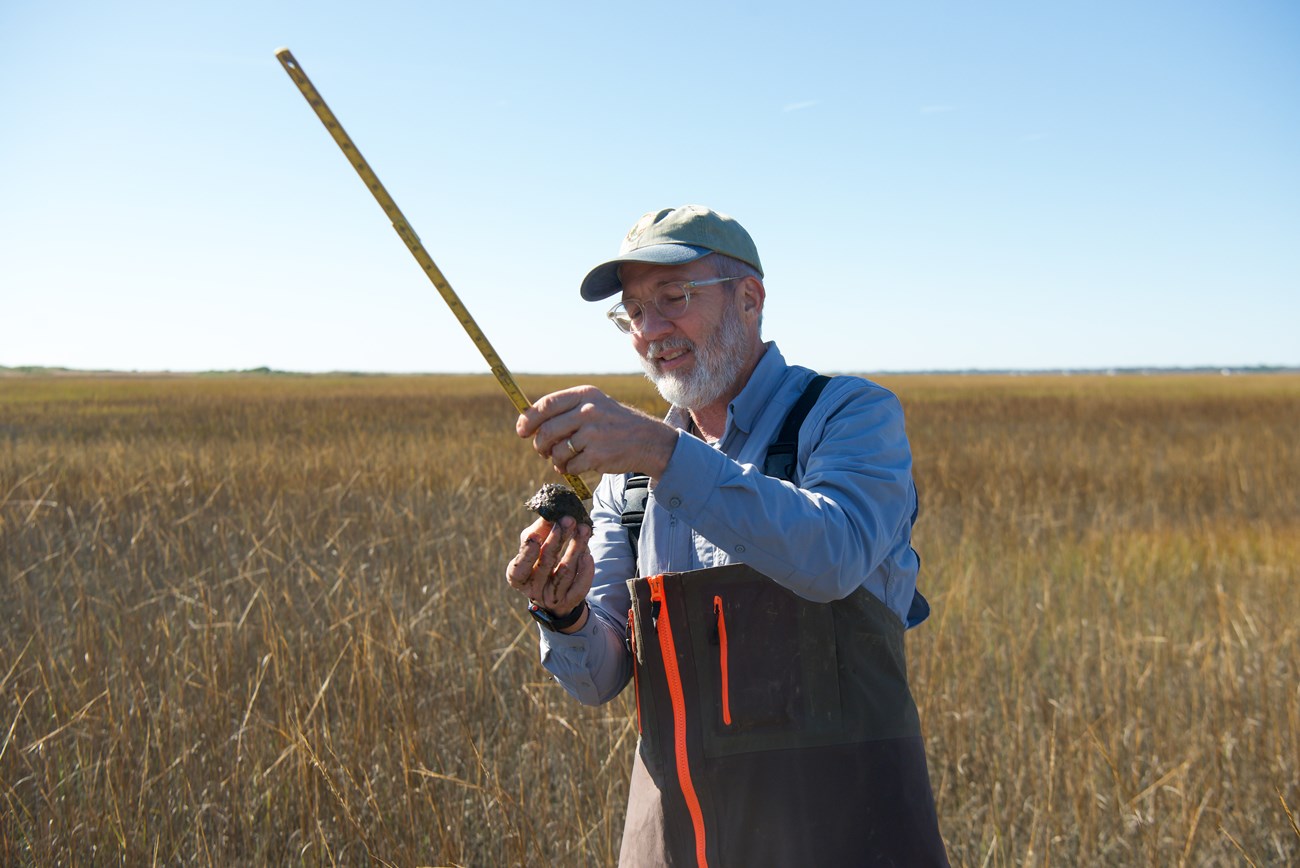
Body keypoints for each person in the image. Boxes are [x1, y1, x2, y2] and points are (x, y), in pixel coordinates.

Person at [506, 205, 948, 866]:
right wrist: (563, 612)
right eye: (632, 311)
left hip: (846, 840)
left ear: (750, 298)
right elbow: (598, 677)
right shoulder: (628, 483)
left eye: (673, 298)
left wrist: (662, 452)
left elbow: (833, 554)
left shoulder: (848, 417)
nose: (652, 329)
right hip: (674, 842)